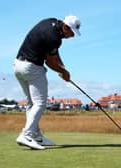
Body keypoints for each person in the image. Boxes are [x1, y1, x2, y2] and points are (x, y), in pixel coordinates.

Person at [13, 15, 81, 150]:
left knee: (31, 104)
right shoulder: (54, 38)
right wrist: (64, 73)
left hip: (18, 65)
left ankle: (36, 135)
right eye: (72, 32)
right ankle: (26, 134)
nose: (72, 36)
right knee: (40, 103)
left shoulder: (51, 22)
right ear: (65, 27)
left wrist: (62, 68)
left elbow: (54, 53)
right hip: (32, 68)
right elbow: (49, 62)